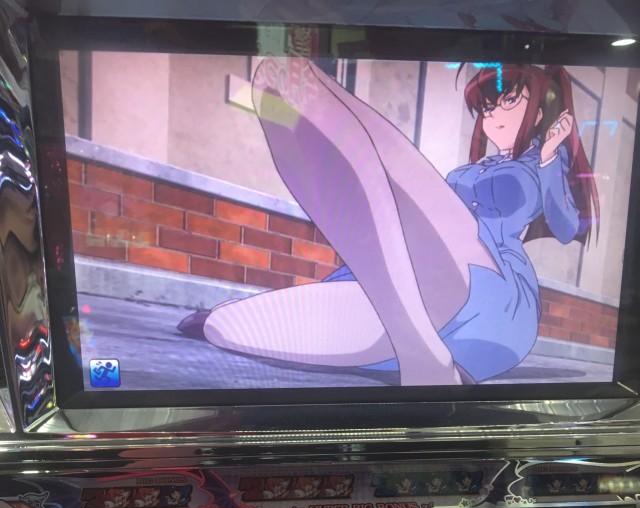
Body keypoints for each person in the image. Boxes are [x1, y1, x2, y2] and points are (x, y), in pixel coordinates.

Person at [182, 58, 598, 387]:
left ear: (540, 110)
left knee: (288, 83)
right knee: (222, 326)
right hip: (413, 296)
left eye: (508, 101)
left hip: (493, 298)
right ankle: (419, 346)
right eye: (487, 107)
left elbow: (566, 227)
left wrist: (548, 159)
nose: (493, 115)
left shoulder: (543, 164)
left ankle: (424, 357)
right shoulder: (474, 169)